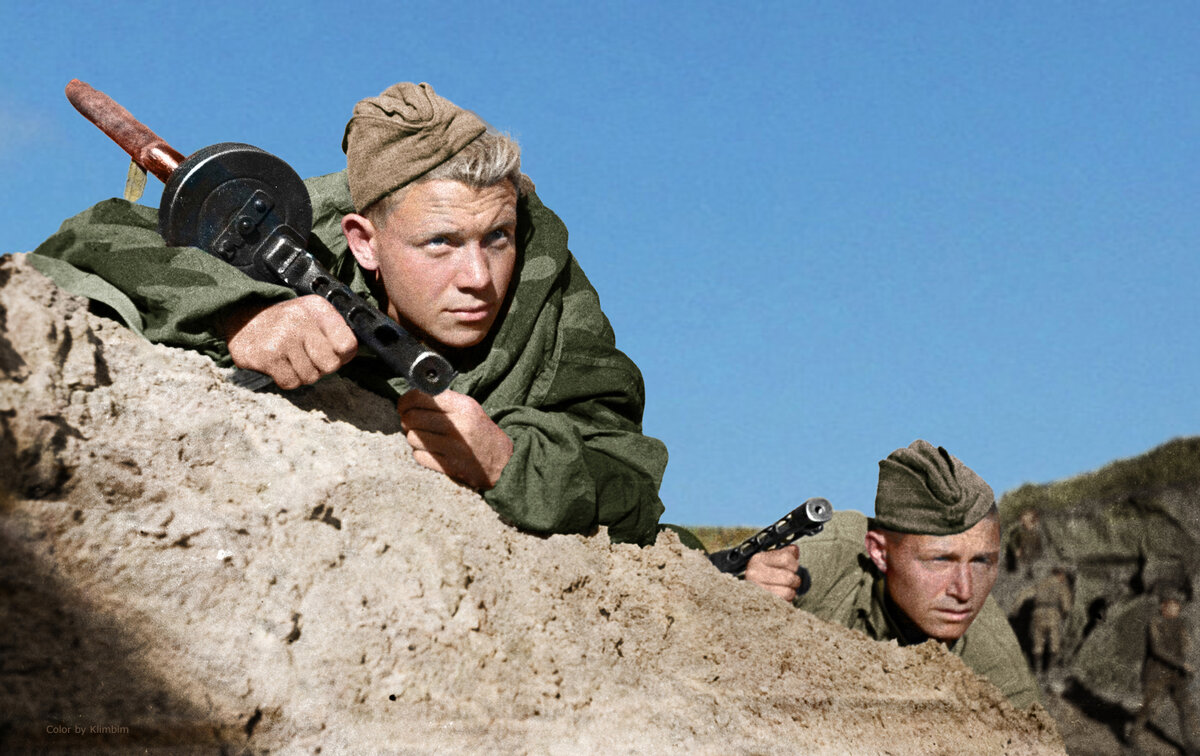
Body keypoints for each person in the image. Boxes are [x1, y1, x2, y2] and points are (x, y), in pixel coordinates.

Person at [29, 82, 669, 546]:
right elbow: (94, 238)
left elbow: (631, 481)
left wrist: (509, 462)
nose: (478, 277)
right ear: (364, 241)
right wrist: (239, 313)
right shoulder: (306, 227)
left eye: (495, 238)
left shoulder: (546, 283)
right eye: (440, 244)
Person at [744, 439, 1040, 709]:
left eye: (981, 561)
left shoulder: (996, 666)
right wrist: (744, 597)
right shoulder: (823, 558)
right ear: (879, 552)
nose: (964, 592)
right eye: (940, 560)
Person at [1128, 593, 1197, 753]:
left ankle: (1189, 746)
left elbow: (1186, 646)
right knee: (1148, 709)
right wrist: (1182, 664)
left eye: (1177, 606)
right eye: (1172, 605)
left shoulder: (1179, 624)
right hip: (1156, 674)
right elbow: (1157, 650)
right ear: (1163, 606)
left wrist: (1186, 647)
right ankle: (1132, 739)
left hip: (1176, 675)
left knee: (1185, 709)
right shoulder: (1155, 622)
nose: (1176, 609)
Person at [1011, 566, 1073, 679]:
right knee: (1054, 642)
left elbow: (1024, 594)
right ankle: (1048, 672)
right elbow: (1066, 605)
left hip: (1038, 613)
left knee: (1038, 640)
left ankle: (1037, 670)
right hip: (1053, 614)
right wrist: (1065, 613)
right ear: (1060, 574)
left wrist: (1015, 609)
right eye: (1064, 575)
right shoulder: (1062, 586)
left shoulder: (1042, 583)